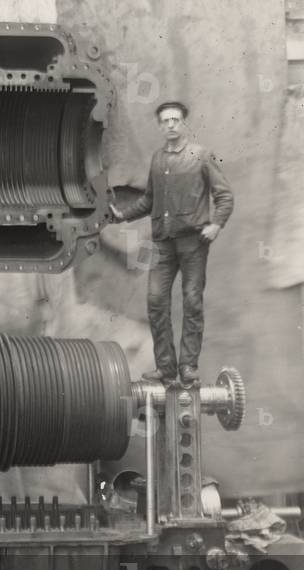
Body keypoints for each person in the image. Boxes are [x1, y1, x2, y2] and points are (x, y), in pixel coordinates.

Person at [110, 100, 234, 388]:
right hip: (163, 245)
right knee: (155, 302)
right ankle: (166, 369)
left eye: (175, 120)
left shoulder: (201, 156)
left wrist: (217, 224)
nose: (171, 125)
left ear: (184, 123)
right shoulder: (157, 159)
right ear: (159, 125)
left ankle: (188, 367)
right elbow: (149, 201)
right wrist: (121, 216)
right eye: (165, 121)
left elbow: (225, 195)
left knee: (192, 303)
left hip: (194, 244)